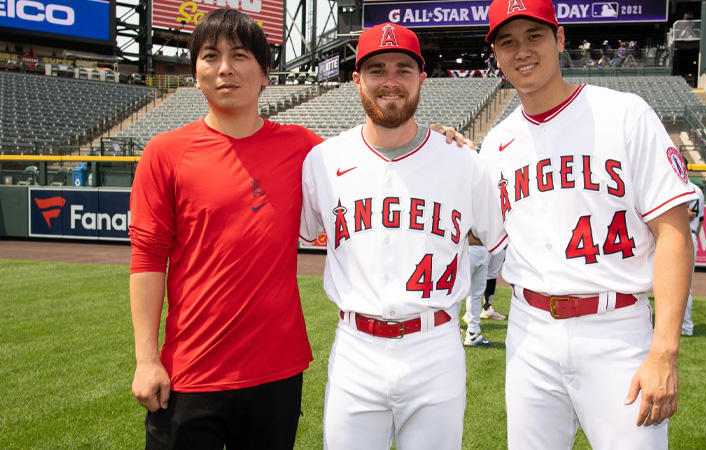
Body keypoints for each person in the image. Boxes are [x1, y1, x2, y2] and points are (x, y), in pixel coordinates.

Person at [128, 9, 467, 449]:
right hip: (191, 371)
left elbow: (378, 149)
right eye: (210, 56)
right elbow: (148, 258)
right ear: (195, 73)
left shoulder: (308, 152)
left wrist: (435, 138)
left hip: (276, 374)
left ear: (266, 73)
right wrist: (145, 359)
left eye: (240, 55)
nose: (225, 68)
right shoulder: (165, 152)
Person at [480, 1, 697, 448]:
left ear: (560, 39)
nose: (522, 51)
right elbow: (472, 225)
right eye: (507, 41)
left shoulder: (625, 114)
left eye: (534, 36)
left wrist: (664, 351)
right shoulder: (497, 142)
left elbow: (673, 234)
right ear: (497, 57)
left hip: (616, 327)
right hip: (529, 330)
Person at [298, 22, 507, 450]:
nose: (390, 81)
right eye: (376, 69)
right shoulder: (323, 159)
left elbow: (503, 243)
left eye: (403, 69)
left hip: (435, 347)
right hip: (355, 349)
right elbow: (295, 232)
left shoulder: (464, 162)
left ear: (421, 79)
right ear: (356, 80)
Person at [462, 245, 497, 346]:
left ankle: (473, 334)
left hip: (484, 249)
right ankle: (453, 331)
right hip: (467, 248)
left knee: (476, 294)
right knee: (458, 293)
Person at [683, 180, 705, 336]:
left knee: (682, 285)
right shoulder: (696, 189)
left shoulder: (690, 189)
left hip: (684, 235)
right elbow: (700, 220)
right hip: (688, 236)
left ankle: (686, 326)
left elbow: (691, 216)